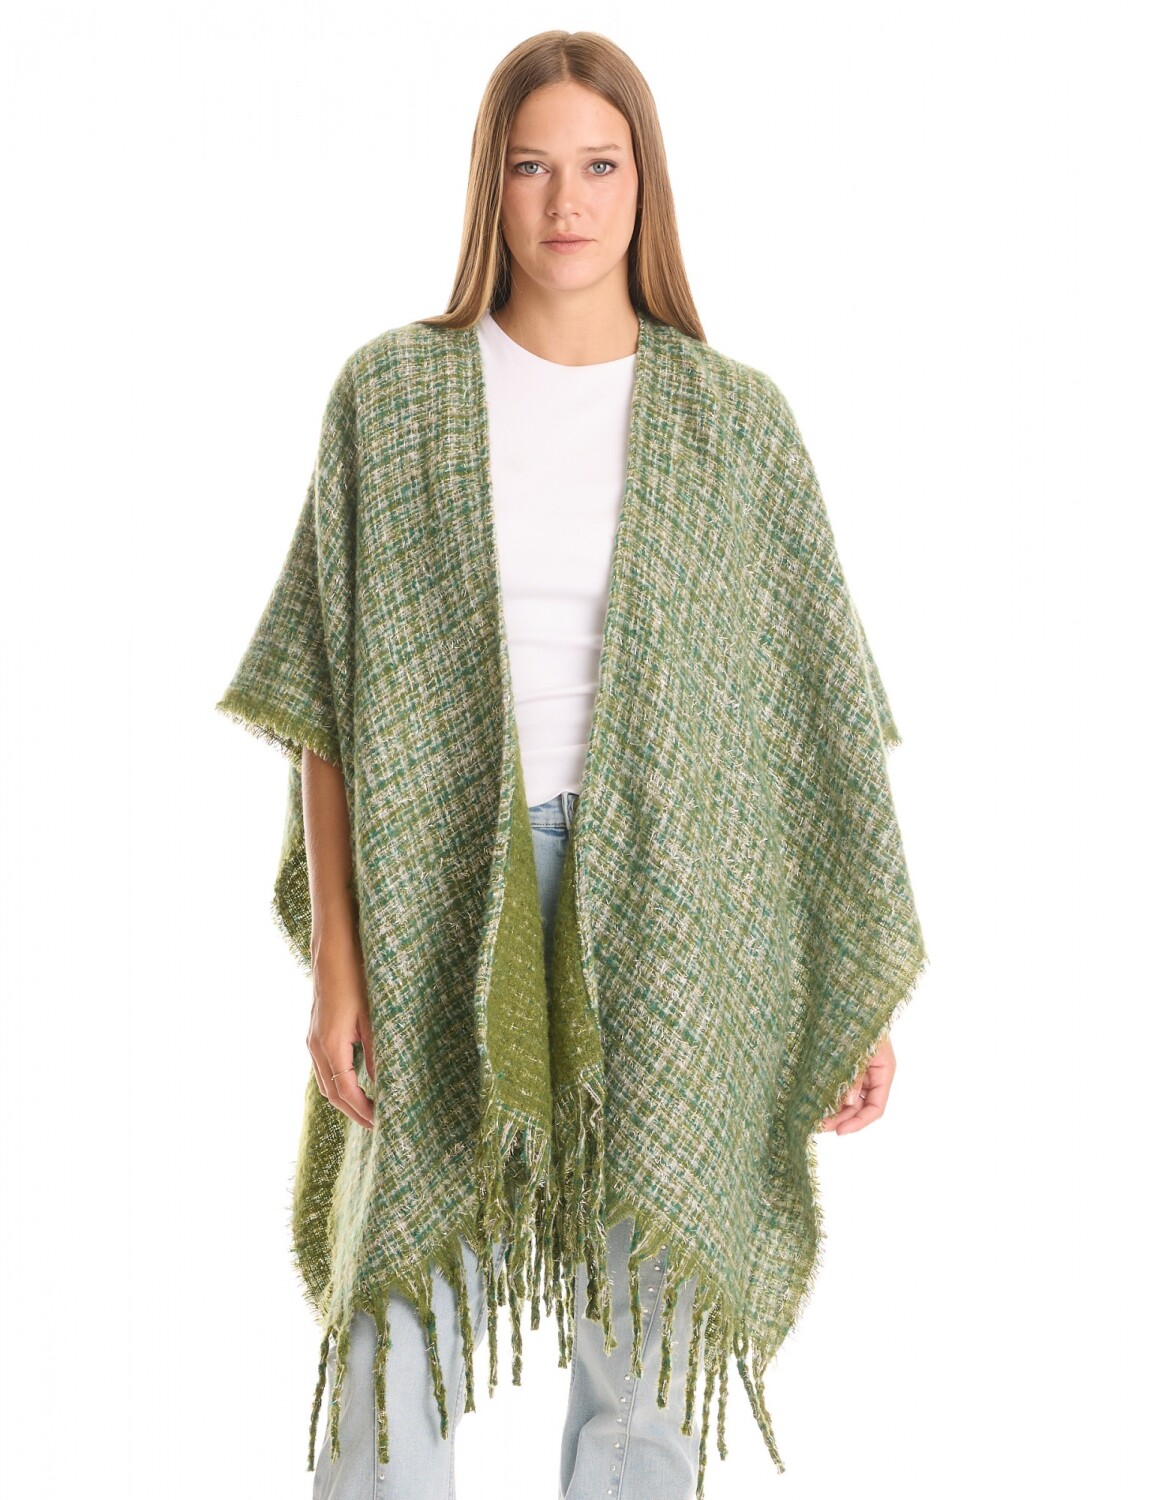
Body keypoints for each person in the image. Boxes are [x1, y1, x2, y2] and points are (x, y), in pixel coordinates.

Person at [215, 28, 927, 1500]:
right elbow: (328, 700)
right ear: (491, 183)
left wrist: (837, 991)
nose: (566, 202)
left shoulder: (734, 422)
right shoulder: (392, 397)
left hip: (671, 902)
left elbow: (804, 729)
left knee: (647, 1341)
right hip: (441, 894)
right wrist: (338, 964)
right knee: (398, 1321)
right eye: (531, 166)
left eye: (599, 166)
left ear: (643, 184)